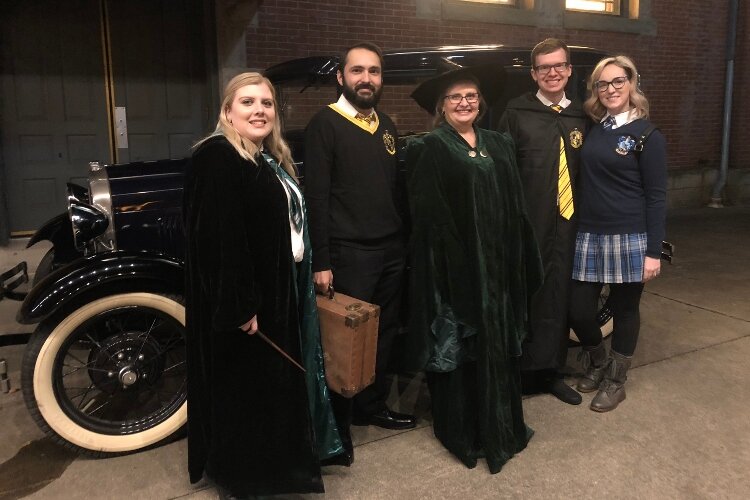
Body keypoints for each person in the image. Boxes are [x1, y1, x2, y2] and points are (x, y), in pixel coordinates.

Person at [184, 72, 343, 497]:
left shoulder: (261, 156)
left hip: (276, 291)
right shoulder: (217, 156)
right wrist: (238, 304)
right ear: (227, 111)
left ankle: (273, 467)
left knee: (268, 391)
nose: (259, 111)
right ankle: (246, 479)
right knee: (247, 392)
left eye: (267, 103)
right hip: (249, 301)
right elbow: (220, 239)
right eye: (248, 102)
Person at [405, 66, 543, 473]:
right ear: (441, 106)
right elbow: (429, 219)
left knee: (499, 347)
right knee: (462, 352)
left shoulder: (499, 143)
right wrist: (453, 274)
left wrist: (520, 260)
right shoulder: (428, 147)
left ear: (480, 102)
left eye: (471, 96)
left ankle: (502, 428)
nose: (464, 102)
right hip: (457, 272)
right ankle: (465, 432)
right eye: (455, 97)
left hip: (499, 272)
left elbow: (516, 207)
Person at [304, 42, 416, 463]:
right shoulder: (324, 125)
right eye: (357, 71)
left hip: (389, 251)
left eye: (373, 72)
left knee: (383, 335)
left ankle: (372, 407)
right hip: (349, 255)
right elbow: (316, 197)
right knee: (344, 343)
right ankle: (338, 428)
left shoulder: (385, 124)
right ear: (341, 77)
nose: (366, 79)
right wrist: (323, 261)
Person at [569, 55, 667, 412]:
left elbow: (657, 198)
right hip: (590, 234)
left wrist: (653, 252)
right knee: (579, 309)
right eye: (603, 83)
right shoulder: (597, 128)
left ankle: (616, 380)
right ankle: (598, 362)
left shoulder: (647, 135)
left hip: (630, 236)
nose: (610, 89)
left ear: (632, 84)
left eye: (617, 82)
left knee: (625, 310)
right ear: (596, 89)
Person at [497, 38, 587, 406]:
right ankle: (518, 372)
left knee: (559, 296)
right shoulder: (515, 113)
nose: (552, 73)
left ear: (569, 70)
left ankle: (551, 371)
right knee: (527, 296)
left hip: (568, 226)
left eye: (559, 66)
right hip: (527, 224)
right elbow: (502, 174)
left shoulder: (582, 116)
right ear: (533, 73)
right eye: (544, 67)